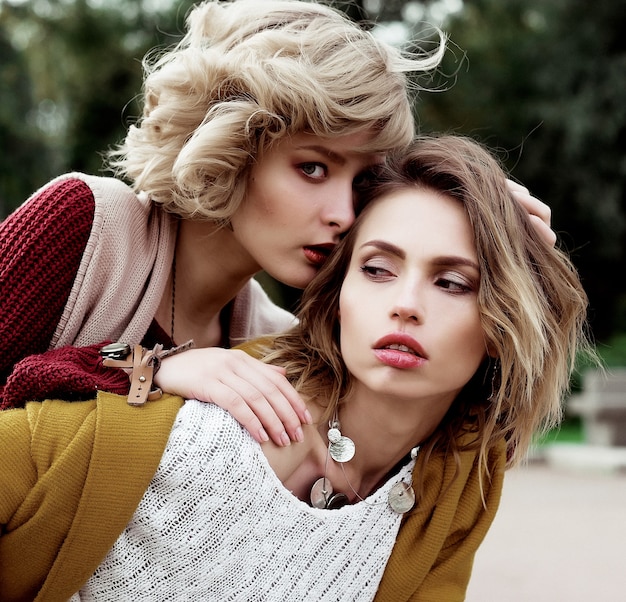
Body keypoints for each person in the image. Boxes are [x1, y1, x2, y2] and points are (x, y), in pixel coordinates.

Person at [0, 135, 590, 602]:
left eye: (454, 281)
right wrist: (150, 365)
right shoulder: (96, 228)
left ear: (504, 319)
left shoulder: (455, 472)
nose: (405, 303)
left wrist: (486, 212)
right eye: (378, 268)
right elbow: (28, 383)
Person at [0, 0, 552, 447]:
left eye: (362, 181)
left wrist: (486, 224)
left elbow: (422, 426)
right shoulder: (90, 224)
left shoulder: (273, 337)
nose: (343, 213)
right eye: (312, 167)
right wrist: (146, 368)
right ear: (231, 147)